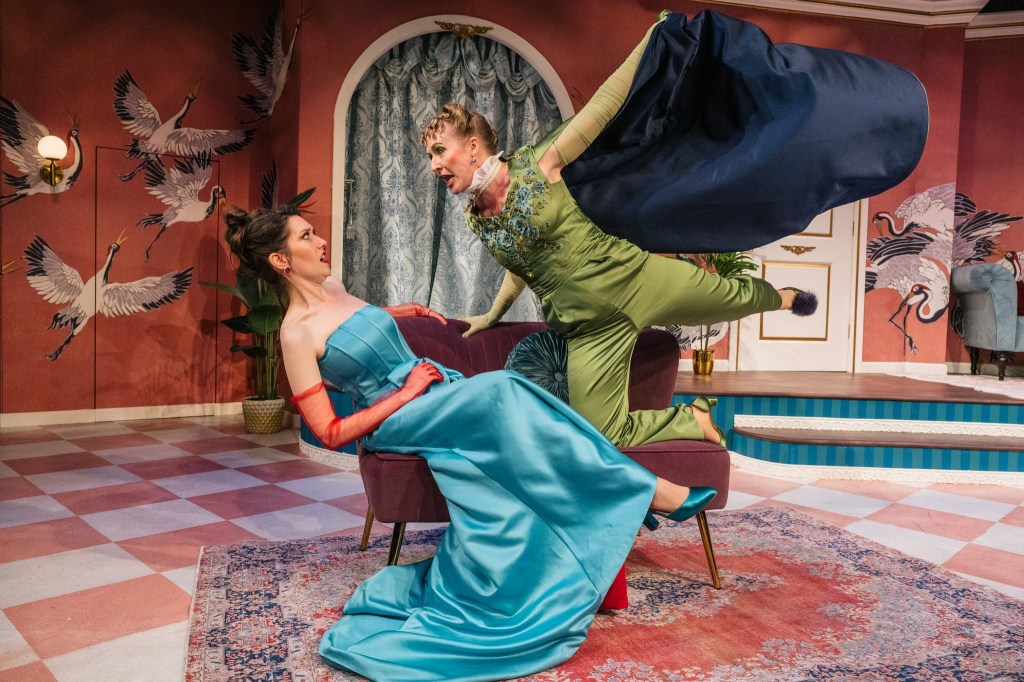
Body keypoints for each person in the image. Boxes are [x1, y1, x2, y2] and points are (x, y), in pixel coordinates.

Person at [223, 202, 718, 682]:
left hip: (432, 388)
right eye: (306, 236)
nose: (321, 240)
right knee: (502, 387)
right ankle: (652, 492)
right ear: (281, 260)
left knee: (519, 400)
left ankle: (632, 497)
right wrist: (407, 392)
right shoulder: (294, 333)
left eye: (313, 232)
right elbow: (331, 431)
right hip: (398, 415)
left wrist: (396, 313)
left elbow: (353, 327)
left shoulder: (332, 286)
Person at [422, 7, 925, 451]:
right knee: (603, 430)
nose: (434, 165)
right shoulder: (476, 217)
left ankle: (785, 298)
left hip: (634, 279)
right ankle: (692, 419)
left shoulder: (538, 164)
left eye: (440, 151)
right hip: (590, 326)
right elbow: (523, 264)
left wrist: (649, 46)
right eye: (429, 156)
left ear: (473, 146)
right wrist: (492, 314)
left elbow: (603, 108)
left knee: (729, 296)